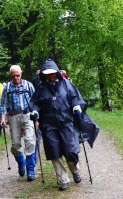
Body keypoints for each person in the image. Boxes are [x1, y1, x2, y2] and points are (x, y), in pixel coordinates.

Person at [28, 59, 87, 191]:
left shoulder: (66, 84)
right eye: (48, 74)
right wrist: (35, 112)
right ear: (44, 75)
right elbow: (35, 103)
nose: (51, 76)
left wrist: (77, 107)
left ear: (57, 72)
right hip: (49, 125)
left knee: (70, 151)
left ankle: (75, 171)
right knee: (54, 151)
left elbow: (75, 98)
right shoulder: (41, 88)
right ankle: (63, 180)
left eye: (53, 73)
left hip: (66, 122)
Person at [0, 65, 36, 181]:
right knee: (15, 146)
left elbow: (35, 102)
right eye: (14, 75)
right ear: (11, 75)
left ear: (21, 74)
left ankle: (30, 170)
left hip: (27, 115)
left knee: (30, 141)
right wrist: (3, 119)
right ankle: (21, 163)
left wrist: (37, 118)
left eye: (18, 75)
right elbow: (2, 105)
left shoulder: (28, 85)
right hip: (13, 117)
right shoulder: (7, 87)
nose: (16, 78)